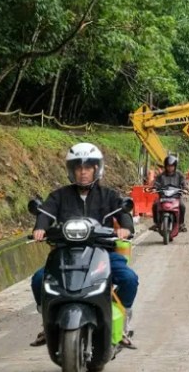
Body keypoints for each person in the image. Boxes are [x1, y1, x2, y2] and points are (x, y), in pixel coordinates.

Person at [29, 142, 139, 349]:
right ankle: (48, 322)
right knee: (38, 280)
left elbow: (124, 213)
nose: (83, 173)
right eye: (78, 168)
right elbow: (45, 213)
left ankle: (121, 322)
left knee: (129, 279)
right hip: (66, 255)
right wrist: (40, 228)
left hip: (102, 254)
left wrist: (125, 228)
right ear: (71, 171)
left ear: (96, 169)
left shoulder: (109, 196)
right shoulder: (59, 196)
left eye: (88, 168)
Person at [149, 155, 188, 232]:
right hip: (163, 197)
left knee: (182, 206)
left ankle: (181, 224)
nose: (170, 168)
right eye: (168, 166)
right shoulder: (161, 176)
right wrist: (154, 188)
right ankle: (156, 223)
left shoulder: (179, 175)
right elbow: (156, 183)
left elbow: (183, 182)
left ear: (175, 166)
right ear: (165, 166)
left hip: (176, 197)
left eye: (172, 166)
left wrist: (185, 188)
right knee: (155, 205)